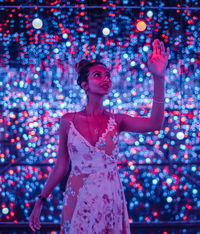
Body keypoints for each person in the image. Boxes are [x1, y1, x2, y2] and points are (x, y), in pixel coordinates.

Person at [29, 39, 170, 233]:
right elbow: (61, 166)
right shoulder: (67, 121)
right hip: (77, 197)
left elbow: (155, 124)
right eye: (98, 75)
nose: (106, 79)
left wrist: (158, 78)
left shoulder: (117, 120)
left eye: (108, 76)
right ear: (84, 85)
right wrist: (40, 200)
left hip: (109, 196)